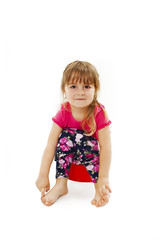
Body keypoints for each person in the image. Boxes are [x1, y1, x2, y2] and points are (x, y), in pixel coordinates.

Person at [36, 60, 112, 207]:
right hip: (68, 161)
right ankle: (61, 184)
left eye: (87, 86)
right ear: (64, 89)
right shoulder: (64, 112)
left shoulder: (98, 113)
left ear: (95, 89)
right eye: (73, 86)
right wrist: (43, 174)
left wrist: (103, 178)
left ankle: (99, 189)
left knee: (87, 139)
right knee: (65, 136)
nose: (80, 92)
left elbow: (106, 147)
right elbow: (50, 146)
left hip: (90, 160)